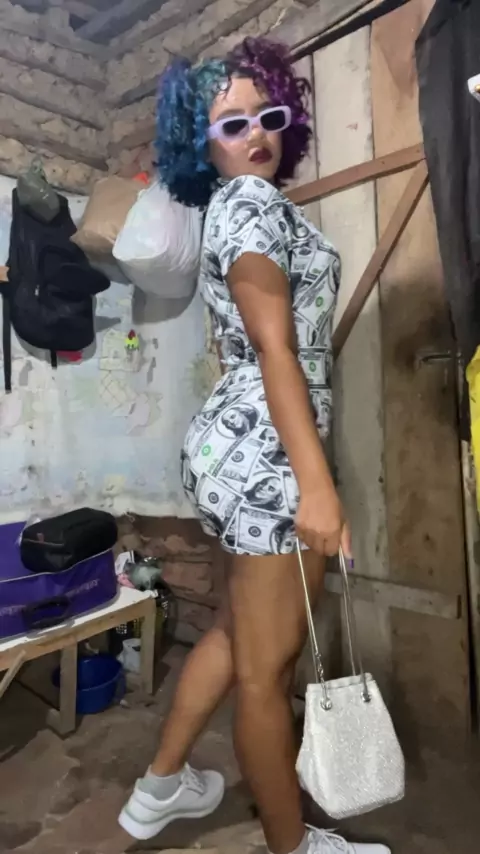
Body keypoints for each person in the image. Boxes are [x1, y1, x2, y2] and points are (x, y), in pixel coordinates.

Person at [119, 37, 390, 854]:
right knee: (266, 672)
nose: (257, 135)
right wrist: (317, 484)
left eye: (268, 116)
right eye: (231, 124)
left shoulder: (241, 206)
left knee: (240, 633)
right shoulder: (247, 202)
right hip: (267, 453)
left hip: (235, 448)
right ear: (200, 143)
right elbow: (276, 348)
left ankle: (160, 786)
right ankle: (292, 844)